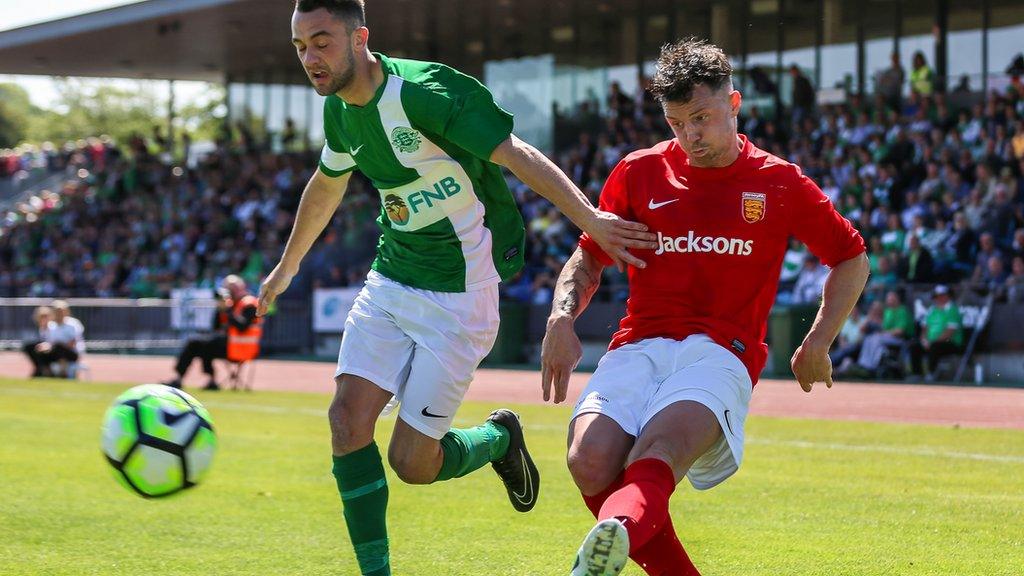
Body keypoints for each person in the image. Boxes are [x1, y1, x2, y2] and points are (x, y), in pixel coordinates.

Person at [257, 2, 657, 575]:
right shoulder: (341, 114)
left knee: (412, 463)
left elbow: (515, 154)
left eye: (321, 42)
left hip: (462, 295)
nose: (310, 58)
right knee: (346, 421)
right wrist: (286, 267)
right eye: (300, 47)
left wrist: (589, 218)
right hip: (391, 279)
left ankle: (497, 439)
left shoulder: (425, 93)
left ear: (359, 37)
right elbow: (326, 185)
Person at [541, 38, 868, 576]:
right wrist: (561, 318)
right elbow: (589, 255)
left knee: (659, 450)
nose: (690, 135)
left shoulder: (778, 182)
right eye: (675, 122)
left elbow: (850, 256)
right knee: (588, 461)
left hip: (722, 353)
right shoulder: (638, 173)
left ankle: (600, 557)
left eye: (702, 117)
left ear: (734, 105)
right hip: (638, 345)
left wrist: (818, 340)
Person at [163, 275, 261, 391]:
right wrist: (220, 310)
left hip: (243, 348)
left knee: (205, 344)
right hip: (228, 346)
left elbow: (242, 326)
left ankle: (210, 380)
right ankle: (181, 378)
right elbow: (215, 328)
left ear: (241, 288)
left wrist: (228, 311)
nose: (229, 292)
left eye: (232, 288)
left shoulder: (249, 304)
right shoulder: (230, 304)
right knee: (195, 343)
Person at [909, 285, 964, 381]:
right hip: (931, 342)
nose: (938, 298)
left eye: (941, 295)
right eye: (937, 296)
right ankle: (917, 374)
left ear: (947, 296)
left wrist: (931, 342)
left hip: (950, 343)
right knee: (914, 346)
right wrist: (924, 340)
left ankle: (931, 373)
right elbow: (925, 328)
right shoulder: (932, 310)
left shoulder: (952, 310)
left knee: (935, 346)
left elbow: (949, 332)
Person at [47, 300, 86, 378]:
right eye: (56, 312)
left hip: (72, 353)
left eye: (61, 311)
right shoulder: (51, 325)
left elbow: (72, 343)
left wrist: (57, 346)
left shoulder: (73, 324)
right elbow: (49, 343)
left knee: (59, 347)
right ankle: (43, 372)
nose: (59, 314)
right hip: (56, 352)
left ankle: (63, 373)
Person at [22, 306, 55, 377]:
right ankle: (40, 368)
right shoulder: (42, 328)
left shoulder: (53, 327)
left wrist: (46, 345)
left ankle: (44, 370)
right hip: (46, 349)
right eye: (41, 317)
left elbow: (55, 342)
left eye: (45, 316)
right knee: (30, 347)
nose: (43, 319)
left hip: (54, 350)